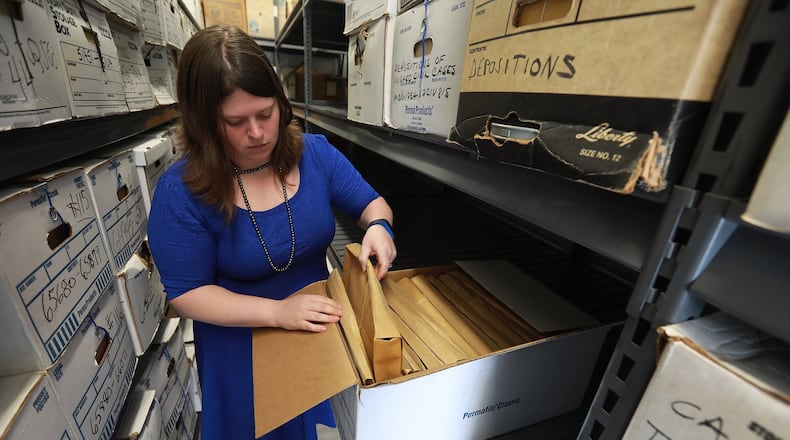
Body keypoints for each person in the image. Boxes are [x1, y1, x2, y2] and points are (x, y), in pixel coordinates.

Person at [147, 25, 397, 440]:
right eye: (236, 121)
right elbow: (187, 293)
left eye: (266, 114)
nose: (258, 133)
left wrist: (379, 227)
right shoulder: (183, 192)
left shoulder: (315, 153)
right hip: (242, 353)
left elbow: (372, 203)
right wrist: (277, 313)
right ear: (205, 122)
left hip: (317, 334)